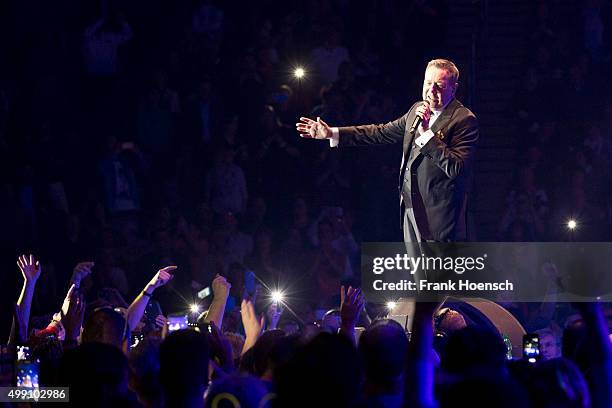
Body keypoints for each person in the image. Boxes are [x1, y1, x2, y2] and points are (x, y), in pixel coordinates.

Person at [296, 59, 479, 243]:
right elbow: (381, 132)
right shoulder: (417, 109)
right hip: (412, 212)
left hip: (441, 219)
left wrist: (426, 134)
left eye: (439, 86)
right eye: (428, 83)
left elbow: (457, 168)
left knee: (440, 272)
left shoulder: (463, 120)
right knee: (419, 273)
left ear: (453, 89)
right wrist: (332, 133)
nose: (431, 91)